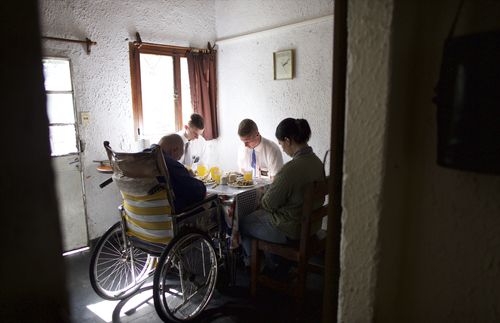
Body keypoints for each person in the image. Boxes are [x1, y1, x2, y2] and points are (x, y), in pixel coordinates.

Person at [239, 118, 325, 273]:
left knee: (243, 222)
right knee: (259, 217)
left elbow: (268, 204)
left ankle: (258, 267)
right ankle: (276, 262)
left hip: (291, 230)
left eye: (281, 144)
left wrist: (266, 200)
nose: (283, 149)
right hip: (311, 225)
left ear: (288, 140)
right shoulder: (317, 162)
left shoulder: (290, 170)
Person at [157, 134, 206, 212]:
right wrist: (189, 177)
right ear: (174, 150)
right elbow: (198, 192)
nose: (177, 161)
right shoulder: (168, 162)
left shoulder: (144, 158)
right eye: (178, 158)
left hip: (140, 220)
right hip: (171, 217)